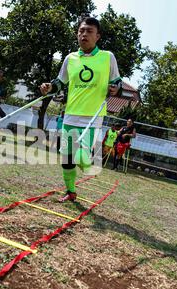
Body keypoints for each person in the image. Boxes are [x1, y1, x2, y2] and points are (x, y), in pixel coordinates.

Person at [40, 16, 125, 203]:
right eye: (81, 31)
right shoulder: (70, 58)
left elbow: (117, 82)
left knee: (81, 156)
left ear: (98, 36)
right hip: (70, 115)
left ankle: (89, 166)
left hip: (93, 117)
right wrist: (49, 87)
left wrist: (115, 88)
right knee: (67, 158)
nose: (84, 34)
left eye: (89, 31)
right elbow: (59, 83)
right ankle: (70, 191)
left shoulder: (107, 57)